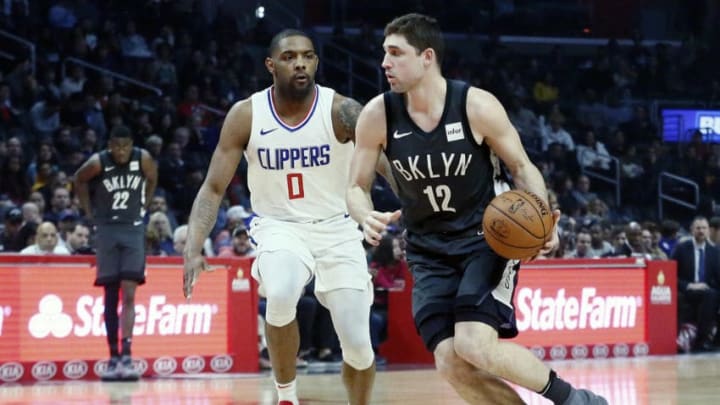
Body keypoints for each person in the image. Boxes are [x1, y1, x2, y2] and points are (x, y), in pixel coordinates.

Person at [346, 13, 607, 405]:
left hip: (485, 239)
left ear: (427, 57)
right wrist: (363, 214)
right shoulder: (377, 115)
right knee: (450, 361)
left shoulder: (476, 105)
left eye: (396, 53)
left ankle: (575, 400)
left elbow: (522, 166)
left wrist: (543, 212)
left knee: (473, 344)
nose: (385, 62)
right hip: (427, 251)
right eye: (384, 53)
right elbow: (355, 186)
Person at [183, 29, 379, 405]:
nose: (300, 62)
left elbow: (383, 164)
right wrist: (193, 246)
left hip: (337, 227)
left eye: (307, 55)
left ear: (317, 63)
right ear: (271, 64)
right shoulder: (246, 115)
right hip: (278, 227)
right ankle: (286, 396)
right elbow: (212, 188)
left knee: (358, 347)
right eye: (289, 56)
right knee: (282, 290)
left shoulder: (341, 110)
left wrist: (419, 216)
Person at [74, 125, 158, 381]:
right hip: (108, 230)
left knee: (129, 293)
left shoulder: (142, 158)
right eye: (117, 147)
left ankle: (127, 355)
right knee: (110, 296)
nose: (122, 151)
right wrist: (90, 213)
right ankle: (112, 357)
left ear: (131, 145)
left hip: (133, 230)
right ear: (110, 145)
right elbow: (78, 179)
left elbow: (153, 178)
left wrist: (144, 204)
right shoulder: (98, 162)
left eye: (126, 146)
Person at [672, 216, 720, 352]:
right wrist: (689, 285)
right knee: (711, 295)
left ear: (708, 231)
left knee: (712, 294)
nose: (701, 231)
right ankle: (700, 342)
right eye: (698, 228)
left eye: (704, 228)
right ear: (692, 230)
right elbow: (671, 275)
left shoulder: (714, 251)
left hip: (708, 291)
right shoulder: (681, 249)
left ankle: (715, 341)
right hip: (687, 290)